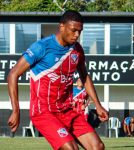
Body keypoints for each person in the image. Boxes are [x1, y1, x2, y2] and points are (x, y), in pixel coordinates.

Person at [7, 10, 108, 150]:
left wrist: (97, 104)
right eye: (73, 30)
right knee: (71, 149)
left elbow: (84, 76)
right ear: (62, 26)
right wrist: (16, 110)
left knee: (97, 147)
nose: (77, 35)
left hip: (67, 110)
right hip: (43, 112)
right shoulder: (42, 47)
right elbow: (13, 74)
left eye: (80, 31)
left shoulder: (77, 50)